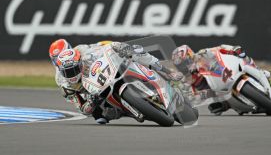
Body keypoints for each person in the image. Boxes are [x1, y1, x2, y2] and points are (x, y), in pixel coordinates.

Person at [52, 39, 182, 124]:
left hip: (99, 72)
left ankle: (166, 71)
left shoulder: (82, 51)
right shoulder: (62, 83)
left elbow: (102, 47)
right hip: (92, 91)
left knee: (134, 51)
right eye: (67, 72)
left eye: (73, 69)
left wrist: (118, 47)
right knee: (102, 117)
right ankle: (127, 110)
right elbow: (81, 108)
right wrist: (91, 104)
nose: (71, 75)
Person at [171, 44, 271, 114]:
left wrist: (232, 49)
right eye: (181, 65)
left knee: (243, 58)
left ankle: (258, 70)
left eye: (185, 62)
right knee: (215, 108)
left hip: (224, 73)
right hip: (218, 93)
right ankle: (238, 106)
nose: (184, 66)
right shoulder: (186, 78)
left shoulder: (203, 54)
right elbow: (185, 93)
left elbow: (218, 49)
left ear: (190, 55)